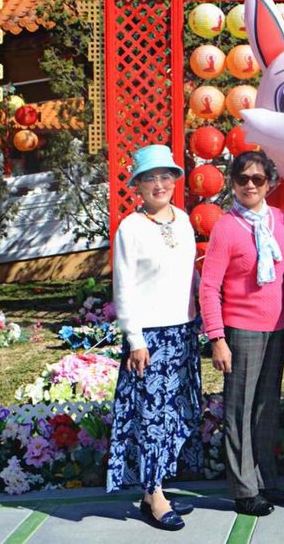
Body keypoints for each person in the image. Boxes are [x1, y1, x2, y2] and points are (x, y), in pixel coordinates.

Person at [106, 144, 202, 532]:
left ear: (176, 181)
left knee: (176, 412)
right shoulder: (130, 228)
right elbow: (123, 287)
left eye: (166, 176)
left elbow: (190, 276)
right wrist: (135, 338)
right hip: (150, 337)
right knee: (149, 417)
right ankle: (153, 494)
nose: (159, 184)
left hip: (184, 331)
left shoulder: (183, 220)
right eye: (150, 178)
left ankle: (157, 486)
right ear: (139, 187)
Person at [198, 150, 284, 517]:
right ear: (233, 184)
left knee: (266, 407)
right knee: (240, 410)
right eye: (243, 179)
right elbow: (209, 287)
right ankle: (243, 489)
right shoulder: (226, 226)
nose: (251, 185)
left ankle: (265, 479)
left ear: (269, 183)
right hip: (241, 330)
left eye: (258, 179)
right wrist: (217, 338)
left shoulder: (282, 222)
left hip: (276, 329)